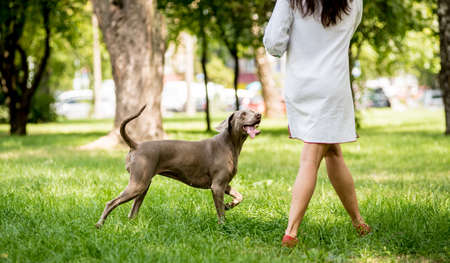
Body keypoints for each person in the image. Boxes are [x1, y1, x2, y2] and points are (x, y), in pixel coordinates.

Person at [263, 0, 371, 248]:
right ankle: (291, 232)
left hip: (302, 85)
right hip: (334, 84)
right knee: (313, 155)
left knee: (331, 151)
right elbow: (351, 28)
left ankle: (357, 221)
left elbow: (274, 45)